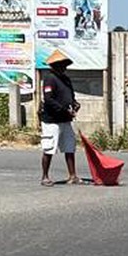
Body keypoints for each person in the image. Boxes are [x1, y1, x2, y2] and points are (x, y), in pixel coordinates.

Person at [39, 49, 81, 186]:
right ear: (54, 65)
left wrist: (74, 104)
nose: (64, 67)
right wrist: (63, 110)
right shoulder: (49, 78)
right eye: (61, 64)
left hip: (65, 119)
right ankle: (45, 176)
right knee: (49, 147)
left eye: (65, 64)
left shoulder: (66, 79)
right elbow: (48, 99)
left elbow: (70, 96)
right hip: (52, 120)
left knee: (69, 147)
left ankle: (72, 175)